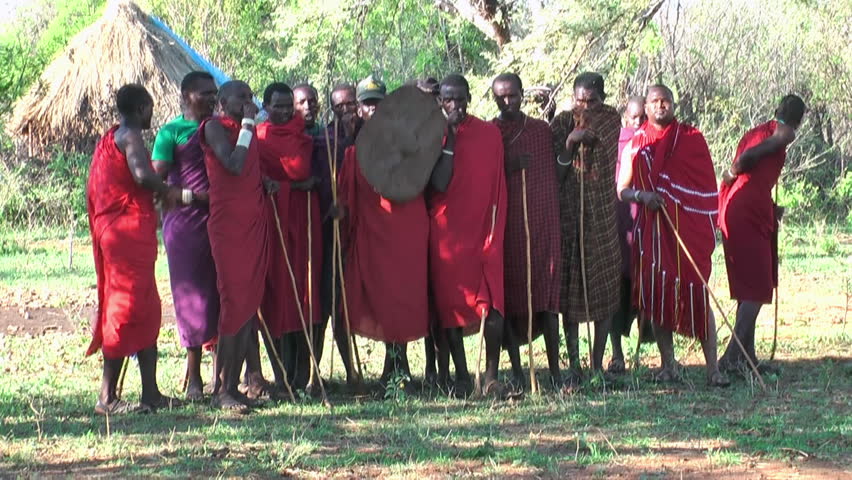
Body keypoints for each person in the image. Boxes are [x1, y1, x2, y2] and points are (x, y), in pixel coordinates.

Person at [617, 84, 729, 387]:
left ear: (673, 104)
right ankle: (669, 365)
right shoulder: (636, 143)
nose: (660, 106)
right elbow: (622, 189)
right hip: (654, 232)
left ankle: (713, 369)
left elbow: (707, 190)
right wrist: (643, 196)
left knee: (697, 294)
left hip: (688, 232)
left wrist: (672, 196)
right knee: (657, 294)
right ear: (647, 106)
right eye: (654, 101)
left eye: (665, 101)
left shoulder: (692, 139)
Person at [86, 83, 183, 414]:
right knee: (124, 309)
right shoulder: (129, 136)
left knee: (146, 308)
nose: (151, 114)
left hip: (127, 231)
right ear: (142, 107)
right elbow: (142, 176)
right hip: (123, 232)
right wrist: (168, 190)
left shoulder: (112, 137)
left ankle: (150, 393)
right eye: (150, 108)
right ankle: (107, 397)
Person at [337, 75, 439, 386]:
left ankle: (402, 365)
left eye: (378, 103)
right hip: (372, 235)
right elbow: (347, 196)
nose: (373, 109)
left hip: (405, 234)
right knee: (380, 299)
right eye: (367, 104)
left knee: (404, 298)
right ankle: (389, 367)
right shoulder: (352, 152)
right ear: (359, 110)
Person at [200, 80, 277, 410]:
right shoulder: (214, 128)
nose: (248, 102)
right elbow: (231, 164)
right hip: (229, 227)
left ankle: (236, 386)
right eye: (241, 97)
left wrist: (263, 181)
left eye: (250, 97)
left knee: (248, 307)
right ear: (222, 101)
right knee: (234, 304)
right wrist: (248, 124)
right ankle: (222, 389)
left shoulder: (246, 131)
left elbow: (246, 168)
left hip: (253, 222)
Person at [429, 74, 507, 397]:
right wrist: (448, 134)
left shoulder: (489, 135)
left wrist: (493, 228)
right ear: (439, 102)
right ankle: (462, 375)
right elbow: (438, 184)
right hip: (446, 231)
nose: (454, 105)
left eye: (460, 99)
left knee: (493, 300)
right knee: (451, 303)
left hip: (484, 228)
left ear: (470, 99)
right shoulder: (431, 136)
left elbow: (498, 182)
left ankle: (490, 375)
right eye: (448, 99)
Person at [718, 94, 805, 373]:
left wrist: (770, 205)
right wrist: (733, 171)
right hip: (746, 212)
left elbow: (754, 175)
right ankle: (732, 357)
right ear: (798, 119)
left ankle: (747, 356)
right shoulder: (783, 132)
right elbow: (747, 160)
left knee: (749, 286)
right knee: (757, 287)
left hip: (740, 206)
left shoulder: (758, 129)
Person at [490, 73, 563, 389]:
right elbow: (485, 177)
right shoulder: (491, 134)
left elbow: (556, 173)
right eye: (501, 97)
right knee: (509, 297)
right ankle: (518, 371)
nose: (507, 102)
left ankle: (555, 371)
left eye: (512, 96)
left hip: (541, 224)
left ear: (522, 94)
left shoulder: (540, 131)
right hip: (508, 228)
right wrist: (508, 165)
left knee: (547, 297)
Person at [152, 71, 219, 401]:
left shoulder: (222, 128)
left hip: (223, 223)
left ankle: (224, 375)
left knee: (222, 293)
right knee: (191, 298)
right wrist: (195, 197)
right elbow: (155, 183)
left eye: (214, 93)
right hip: (185, 225)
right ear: (186, 96)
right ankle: (194, 379)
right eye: (205, 93)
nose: (212, 98)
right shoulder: (171, 132)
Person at [550, 72, 621, 384]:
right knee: (570, 290)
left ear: (602, 99)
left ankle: (596, 363)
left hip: (602, 213)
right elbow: (556, 172)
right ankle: (574, 365)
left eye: (592, 101)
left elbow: (607, 150)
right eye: (581, 100)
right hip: (570, 215)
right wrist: (571, 142)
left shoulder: (610, 119)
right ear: (572, 98)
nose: (586, 107)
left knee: (605, 284)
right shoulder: (562, 123)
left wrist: (590, 136)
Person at [256, 82, 322, 391]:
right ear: (266, 106)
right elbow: (262, 179)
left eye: (288, 106)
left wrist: (292, 184)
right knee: (278, 293)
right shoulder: (257, 138)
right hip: (273, 220)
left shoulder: (306, 136)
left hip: (305, 220)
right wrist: (293, 186)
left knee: (305, 293)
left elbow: (306, 173)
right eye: (278, 105)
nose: (284, 111)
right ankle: (280, 374)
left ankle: (303, 373)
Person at [311, 82, 361, 386]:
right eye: (340, 106)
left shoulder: (370, 134)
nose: (347, 110)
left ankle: (355, 372)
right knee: (328, 302)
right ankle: (316, 375)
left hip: (365, 234)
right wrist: (332, 207)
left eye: (350, 104)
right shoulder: (325, 140)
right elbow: (318, 183)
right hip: (331, 233)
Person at [608, 95, 651, 374]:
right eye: (633, 118)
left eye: (641, 119)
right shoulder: (617, 142)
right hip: (619, 229)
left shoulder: (653, 142)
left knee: (648, 292)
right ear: (625, 117)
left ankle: (659, 353)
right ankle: (617, 355)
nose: (637, 123)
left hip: (646, 229)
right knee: (617, 294)